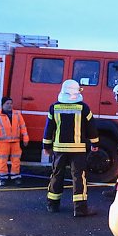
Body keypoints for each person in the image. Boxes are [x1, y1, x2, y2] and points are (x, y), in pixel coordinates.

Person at [43, 80, 100, 217]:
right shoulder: (83, 108)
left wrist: (46, 146)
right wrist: (95, 144)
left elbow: (48, 129)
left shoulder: (54, 107)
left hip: (59, 149)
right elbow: (92, 128)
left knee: (57, 175)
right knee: (78, 177)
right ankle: (80, 209)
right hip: (78, 150)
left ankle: (52, 204)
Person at [0, 96, 29, 186]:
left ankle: (16, 177)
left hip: (15, 142)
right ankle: (2, 178)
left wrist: (26, 138)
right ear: (2, 105)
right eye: (7, 103)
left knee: (16, 160)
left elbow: (23, 127)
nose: (10, 105)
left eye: (11, 103)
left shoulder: (17, 114)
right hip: (3, 142)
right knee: (2, 161)